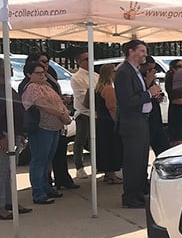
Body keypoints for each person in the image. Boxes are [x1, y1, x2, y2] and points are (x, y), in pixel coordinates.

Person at [22, 52, 79, 192]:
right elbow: (42, 104)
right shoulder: (32, 87)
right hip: (42, 128)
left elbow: (56, 101)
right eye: (39, 73)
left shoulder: (46, 85)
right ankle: (39, 192)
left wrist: (63, 111)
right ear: (30, 74)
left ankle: (47, 188)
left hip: (54, 128)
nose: (43, 74)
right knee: (39, 161)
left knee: (47, 160)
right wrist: (62, 114)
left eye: (43, 72)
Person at [114, 39, 160, 208]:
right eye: (141, 51)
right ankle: (131, 196)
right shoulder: (124, 72)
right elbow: (127, 101)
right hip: (132, 122)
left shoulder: (135, 71)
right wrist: (149, 93)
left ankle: (139, 192)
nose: (144, 54)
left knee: (141, 160)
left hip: (140, 120)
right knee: (133, 161)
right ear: (131, 51)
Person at [0, 58, 32, 218]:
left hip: (16, 133)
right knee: (3, 171)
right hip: (5, 135)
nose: (11, 69)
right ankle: (1, 206)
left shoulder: (7, 87)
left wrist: (22, 134)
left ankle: (10, 201)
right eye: (7, 67)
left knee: (11, 171)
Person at [70, 49, 98, 179]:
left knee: (96, 141)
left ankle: (98, 163)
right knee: (80, 140)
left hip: (97, 113)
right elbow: (83, 99)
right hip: (84, 113)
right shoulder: (77, 78)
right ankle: (79, 167)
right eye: (86, 59)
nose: (89, 61)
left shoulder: (96, 75)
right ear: (79, 62)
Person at [93, 64, 123, 184]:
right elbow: (112, 107)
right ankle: (111, 173)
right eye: (114, 71)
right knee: (111, 147)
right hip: (108, 122)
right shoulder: (108, 88)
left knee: (104, 147)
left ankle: (107, 173)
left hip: (101, 120)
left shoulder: (97, 88)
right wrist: (117, 121)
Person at [164, 59, 182, 144]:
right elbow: (175, 99)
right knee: (178, 139)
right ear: (173, 69)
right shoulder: (171, 79)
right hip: (177, 111)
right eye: (180, 66)